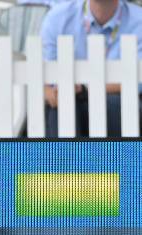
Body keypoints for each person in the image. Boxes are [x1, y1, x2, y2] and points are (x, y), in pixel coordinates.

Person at [41, 0, 142, 136]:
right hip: (70, 103)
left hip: (117, 108)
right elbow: (47, 75)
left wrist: (85, 89)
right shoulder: (57, 18)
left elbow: (138, 81)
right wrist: (52, 92)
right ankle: (64, 157)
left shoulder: (138, 20)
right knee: (62, 105)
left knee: (116, 103)